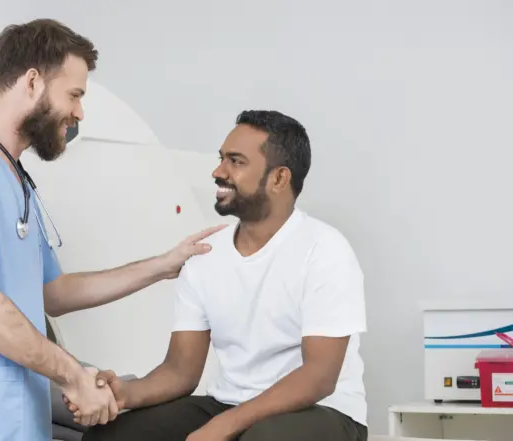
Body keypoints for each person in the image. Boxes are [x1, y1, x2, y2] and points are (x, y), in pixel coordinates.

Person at [0, 18, 224, 441]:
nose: (79, 112)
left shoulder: (15, 178)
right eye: (74, 94)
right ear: (33, 82)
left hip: (12, 419)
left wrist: (163, 266)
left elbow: (53, 294)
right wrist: (73, 376)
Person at [72, 110, 369, 441]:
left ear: (279, 178)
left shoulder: (324, 250)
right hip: (230, 402)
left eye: (236, 162)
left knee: (261, 438)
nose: (218, 171)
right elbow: (180, 371)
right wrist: (125, 393)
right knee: (112, 437)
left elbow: (319, 377)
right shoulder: (206, 255)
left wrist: (224, 426)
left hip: (325, 411)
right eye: (221, 159)